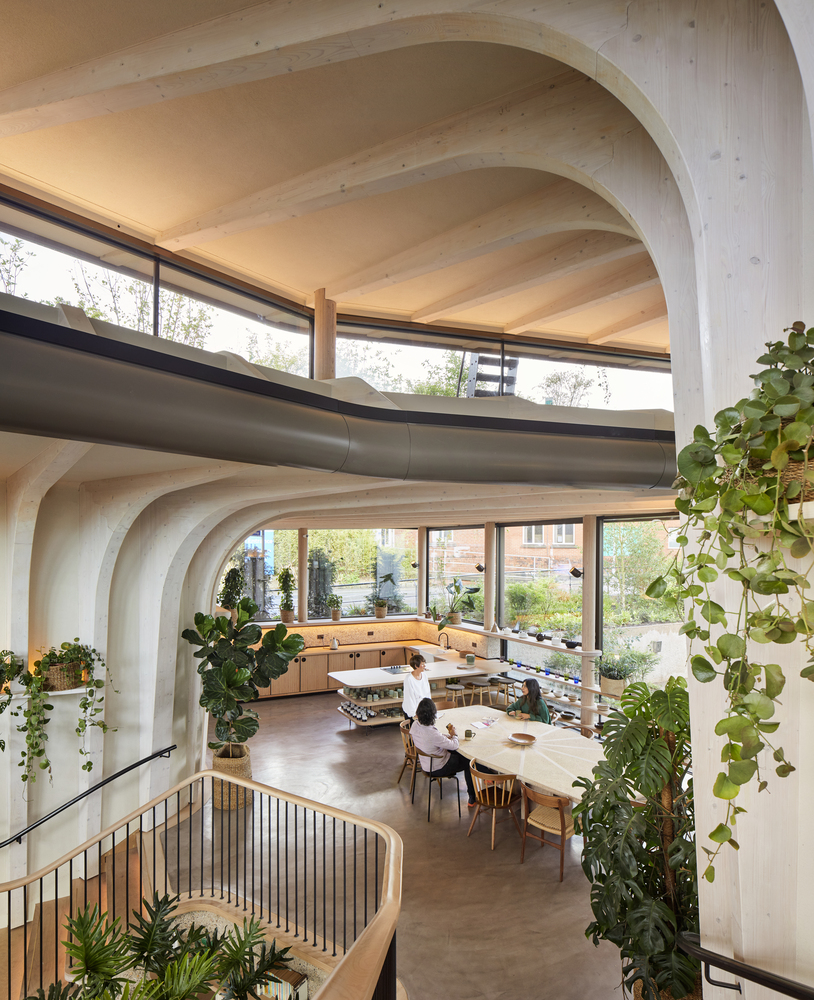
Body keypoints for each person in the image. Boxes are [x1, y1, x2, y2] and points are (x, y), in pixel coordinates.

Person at [410, 697, 476, 806]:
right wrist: (454, 734)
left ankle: (488, 776)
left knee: (459, 754)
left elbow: (436, 738)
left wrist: (447, 736)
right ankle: (472, 798)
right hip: (438, 768)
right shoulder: (432, 733)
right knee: (469, 762)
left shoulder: (415, 725)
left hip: (426, 763)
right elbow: (454, 745)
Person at [402, 653, 431, 721]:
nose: (424, 666)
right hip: (412, 712)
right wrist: (414, 714)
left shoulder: (424, 676)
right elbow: (409, 698)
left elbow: (428, 694)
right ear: (416, 666)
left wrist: (429, 708)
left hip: (423, 710)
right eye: (422, 664)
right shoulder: (409, 679)